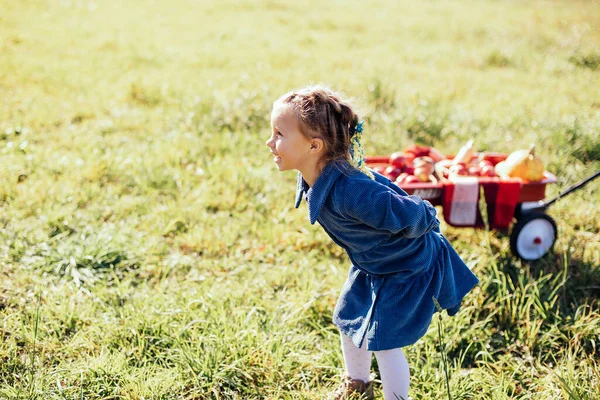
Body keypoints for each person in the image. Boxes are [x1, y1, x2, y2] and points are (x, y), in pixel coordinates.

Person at [265, 85, 479, 400]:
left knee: (384, 341)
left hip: (406, 265)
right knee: (347, 320)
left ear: (314, 146)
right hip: (372, 263)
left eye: (279, 134)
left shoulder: (353, 192)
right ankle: (357, 383)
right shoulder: (316, 176)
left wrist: (428, 218)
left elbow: (406, 212)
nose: (270, 142)